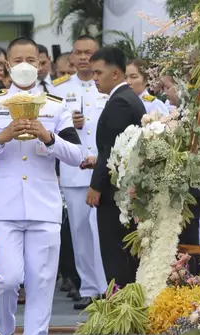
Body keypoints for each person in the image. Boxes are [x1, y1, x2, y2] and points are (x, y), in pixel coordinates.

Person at [0, 37, 83, 335]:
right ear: (6, 65)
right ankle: (3, 331)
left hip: (43, 205)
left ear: (41, 63)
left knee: (41, 281)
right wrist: (2, 137)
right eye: (18, 59)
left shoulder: (56, 105)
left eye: (31, 58)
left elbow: (75, 155)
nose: (25, 64)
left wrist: (48, 137)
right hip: (3, 205)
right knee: (7, 279)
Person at [50, 35, 108, 310]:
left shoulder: (106, 85)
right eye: (79, 53)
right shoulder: (59, 88)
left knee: (104, 231)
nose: (83, 58)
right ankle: (88, 287)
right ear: (71, 56)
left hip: (103, 168)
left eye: (89, 52)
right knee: (80, 231)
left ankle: (109, 285)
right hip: (74, 171)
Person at [83, 47, 146, 287]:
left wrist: (95, 186)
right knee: (123, 252)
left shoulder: (120, 102)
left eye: (98, 73)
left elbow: (110, 149)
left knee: (115, 252)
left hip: (114, 192)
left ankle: (121, 308)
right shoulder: (126, 98)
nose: (95, 78)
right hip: (122, 187)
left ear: (116, 74)